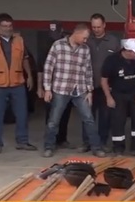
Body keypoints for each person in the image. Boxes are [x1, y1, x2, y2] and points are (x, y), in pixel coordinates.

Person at [42, 23, 106, 158]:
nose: (85, 40)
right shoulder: (58, 45)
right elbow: (48, 67)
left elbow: (88, 70)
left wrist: (89, 90)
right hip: (61, 88)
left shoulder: (85, 49)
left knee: (89, 118)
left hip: (80, 89)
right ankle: (49, 146)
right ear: (76, 34)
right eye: (84, 38)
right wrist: (47, 88)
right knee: (54, 120)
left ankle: (96, 147)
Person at [0, 13, 36, 154]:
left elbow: (25, 59)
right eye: (4, 26)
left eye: (10, 26)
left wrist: (29, 76)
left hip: (17, 82)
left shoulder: (19, 40)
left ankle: (22, 141)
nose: (8, 28)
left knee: (22, 113)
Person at [81, 13, 121, 153]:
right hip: (88, 86)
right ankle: (87, 142)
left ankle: (102, 142)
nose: (96, 29)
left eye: (98, 26)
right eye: (93, 27)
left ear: (104, 25)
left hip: (107, 87)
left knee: (105, 116)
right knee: (87, 115)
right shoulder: (86, 40)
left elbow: (119, 63)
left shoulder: (114, 41)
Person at [101, 38, 135, 156]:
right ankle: (118, 148)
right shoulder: (112, 60)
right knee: (118, 121)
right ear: (128, 51)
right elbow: (104, 80)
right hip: (118, 95)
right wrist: (108, 97)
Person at [37, 21, 74, 149]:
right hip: (50, 87)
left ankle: (62, 139)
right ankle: (50, 142)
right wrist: (40, 88)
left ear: (62, 31)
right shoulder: (45, 46)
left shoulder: (68, 44)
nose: (54, 37)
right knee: (51, 117)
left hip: (66, 86)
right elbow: (40, 69)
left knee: (65, 114)